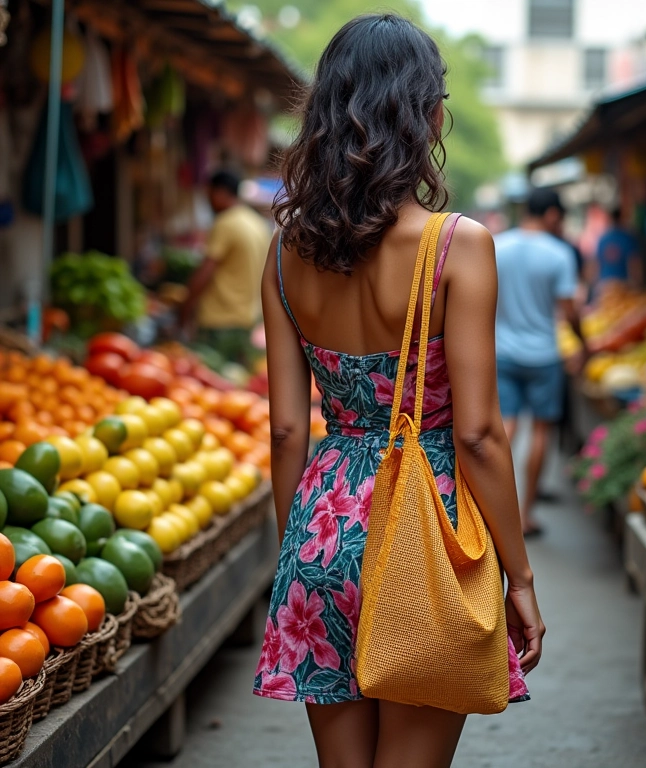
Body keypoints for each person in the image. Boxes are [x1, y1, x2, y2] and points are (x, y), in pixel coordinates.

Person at [253, 14, 544, 768]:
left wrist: (303, 556)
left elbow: (288, 430)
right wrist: (520, 577)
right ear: (427, 113)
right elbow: (479, 435)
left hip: (321, 525)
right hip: (428, 525)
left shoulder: (286, 251)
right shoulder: (459, 245)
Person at [495, 188, 586, 537]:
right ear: (551, 215)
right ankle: (524, 516)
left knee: (506, 428)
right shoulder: (559, 254)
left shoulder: (497, 246)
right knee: (541, 432)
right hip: (545, 356)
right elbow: (569, 310)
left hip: (502, 351)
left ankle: (492, 511)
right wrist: (582, 342)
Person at [179, 169, 272, 366]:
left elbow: (205, 272)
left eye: (209, 194)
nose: (208, 201)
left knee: (209, 388)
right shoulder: (256, 223)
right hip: (247, 319)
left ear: (220, 193)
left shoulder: (225, 223)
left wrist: (184, 311)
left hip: (219, 320)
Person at [592, 206, 642, 290]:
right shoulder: (628, 238)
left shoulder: (603, 239)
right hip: (623, 284)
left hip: (605, 284)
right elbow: (633, 263)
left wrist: (595, 283)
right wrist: (637, 284)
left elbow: (597, 264)